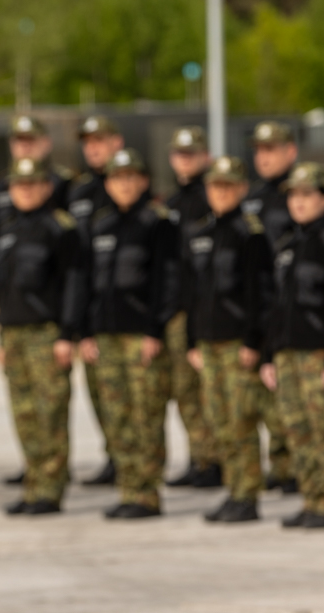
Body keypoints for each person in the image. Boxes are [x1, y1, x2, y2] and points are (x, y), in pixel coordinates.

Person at [79, 148, 175, 519]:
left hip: (140, 336)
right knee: (116, 416)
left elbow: (166, 281)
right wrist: (87, 332)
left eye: (130, 177)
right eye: (117, 178)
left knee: (145, 416)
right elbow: (91, 282)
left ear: (143, 181)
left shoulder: (158, 223)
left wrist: (155, 330)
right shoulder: (101, 225)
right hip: (106, 336)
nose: (124, 184)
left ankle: (146, 494)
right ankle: (128, 489)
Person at [260, 163, 324, 529]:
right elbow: (276, 306)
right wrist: (269, 355)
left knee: (322, 429)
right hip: (286, 353)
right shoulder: (287, 245)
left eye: (306, 195)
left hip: (317, 353)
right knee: (296, 429)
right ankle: (309, 497)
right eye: (293, 196)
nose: (298, 203)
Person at [0, 157, 84, 515]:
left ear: (46, 187)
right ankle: (33, 485)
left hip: (46, 333)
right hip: (14, 334)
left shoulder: (60, 228)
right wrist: (0, 335)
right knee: (25, 415)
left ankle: (50, 490)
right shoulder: (8, 229)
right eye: (19, 184)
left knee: (50, 414)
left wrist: (66, 333)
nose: (25, 191)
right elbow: (2, 288)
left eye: (32, 184)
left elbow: (74, 282)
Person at [185, 157, 273, 523]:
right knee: (219, 421)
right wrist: (191, 341)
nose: (220, 193)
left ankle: (247, 494)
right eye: (214, 186)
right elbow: (193, 292)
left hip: (237, 343)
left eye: (227, 186)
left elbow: (261, 294)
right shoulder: (202, 233)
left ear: (241, 189)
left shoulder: (250, 235)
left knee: (241, 421)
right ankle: (233, 489)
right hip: (208, 344)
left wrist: (253, 341)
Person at [67, 114, 124, 486]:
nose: (93, 148)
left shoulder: (127, 186)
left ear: (117, 141)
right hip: (89, 302)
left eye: (100, 140)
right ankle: (114, 455)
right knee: (100, 391)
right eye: (88, 142)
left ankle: (130, 460)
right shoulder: (79, 192)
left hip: (122, 307)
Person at [164, 126, 221, 490]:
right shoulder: (171, 204)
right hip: (177, 308)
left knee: (207, 389)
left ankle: (216, 459)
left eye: (191, 154)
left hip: (204, 307)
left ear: (206, 156)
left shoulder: (211, 198)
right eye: (179, 154)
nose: (185, 160)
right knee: (185, 390)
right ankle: (201, 456)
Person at [244, 121, 299, 493]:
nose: (263, 157)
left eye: (271, 149)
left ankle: (295, 464)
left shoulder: (300, 193)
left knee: (288, 392)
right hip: (258, 303)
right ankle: (279, 465)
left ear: (290, 151)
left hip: (287, 303)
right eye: (259, 150)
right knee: (262, 393)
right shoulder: (253, 198)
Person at [0, 115, 75, 230]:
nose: (25, 146)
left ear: (46, 143)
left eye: (30, 139)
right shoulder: (0, 183)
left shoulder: (64, 182)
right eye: (19, 140)